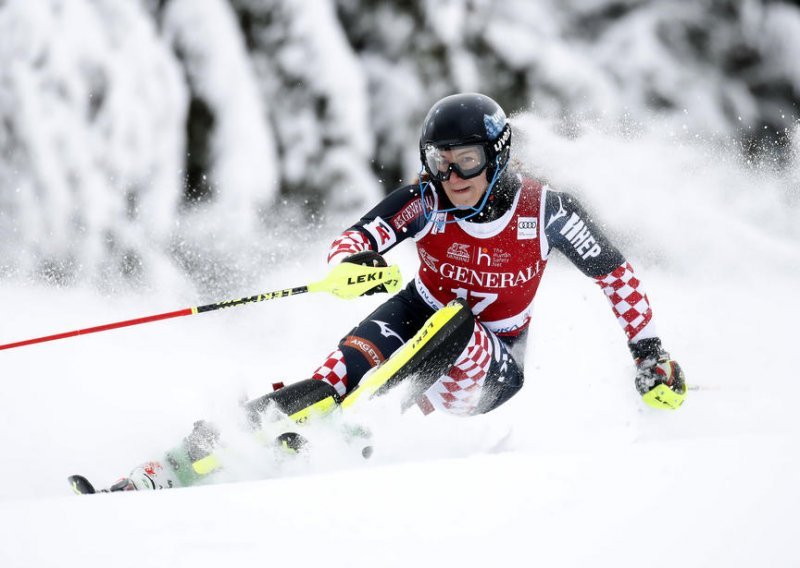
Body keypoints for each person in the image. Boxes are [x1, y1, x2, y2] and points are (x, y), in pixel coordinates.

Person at [88, 93, 686, 493]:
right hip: (419, 314)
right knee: (332, 379)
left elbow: (617, 277)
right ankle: (171, 467)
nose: (451, 178)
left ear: (498, 158)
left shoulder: (544, 210)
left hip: (494, 367)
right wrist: (355, 264)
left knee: (455, 323)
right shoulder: (425, 200)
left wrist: (649, 354)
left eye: (467, 161)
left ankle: (362, 426)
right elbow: (355, 238)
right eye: (439, 162)